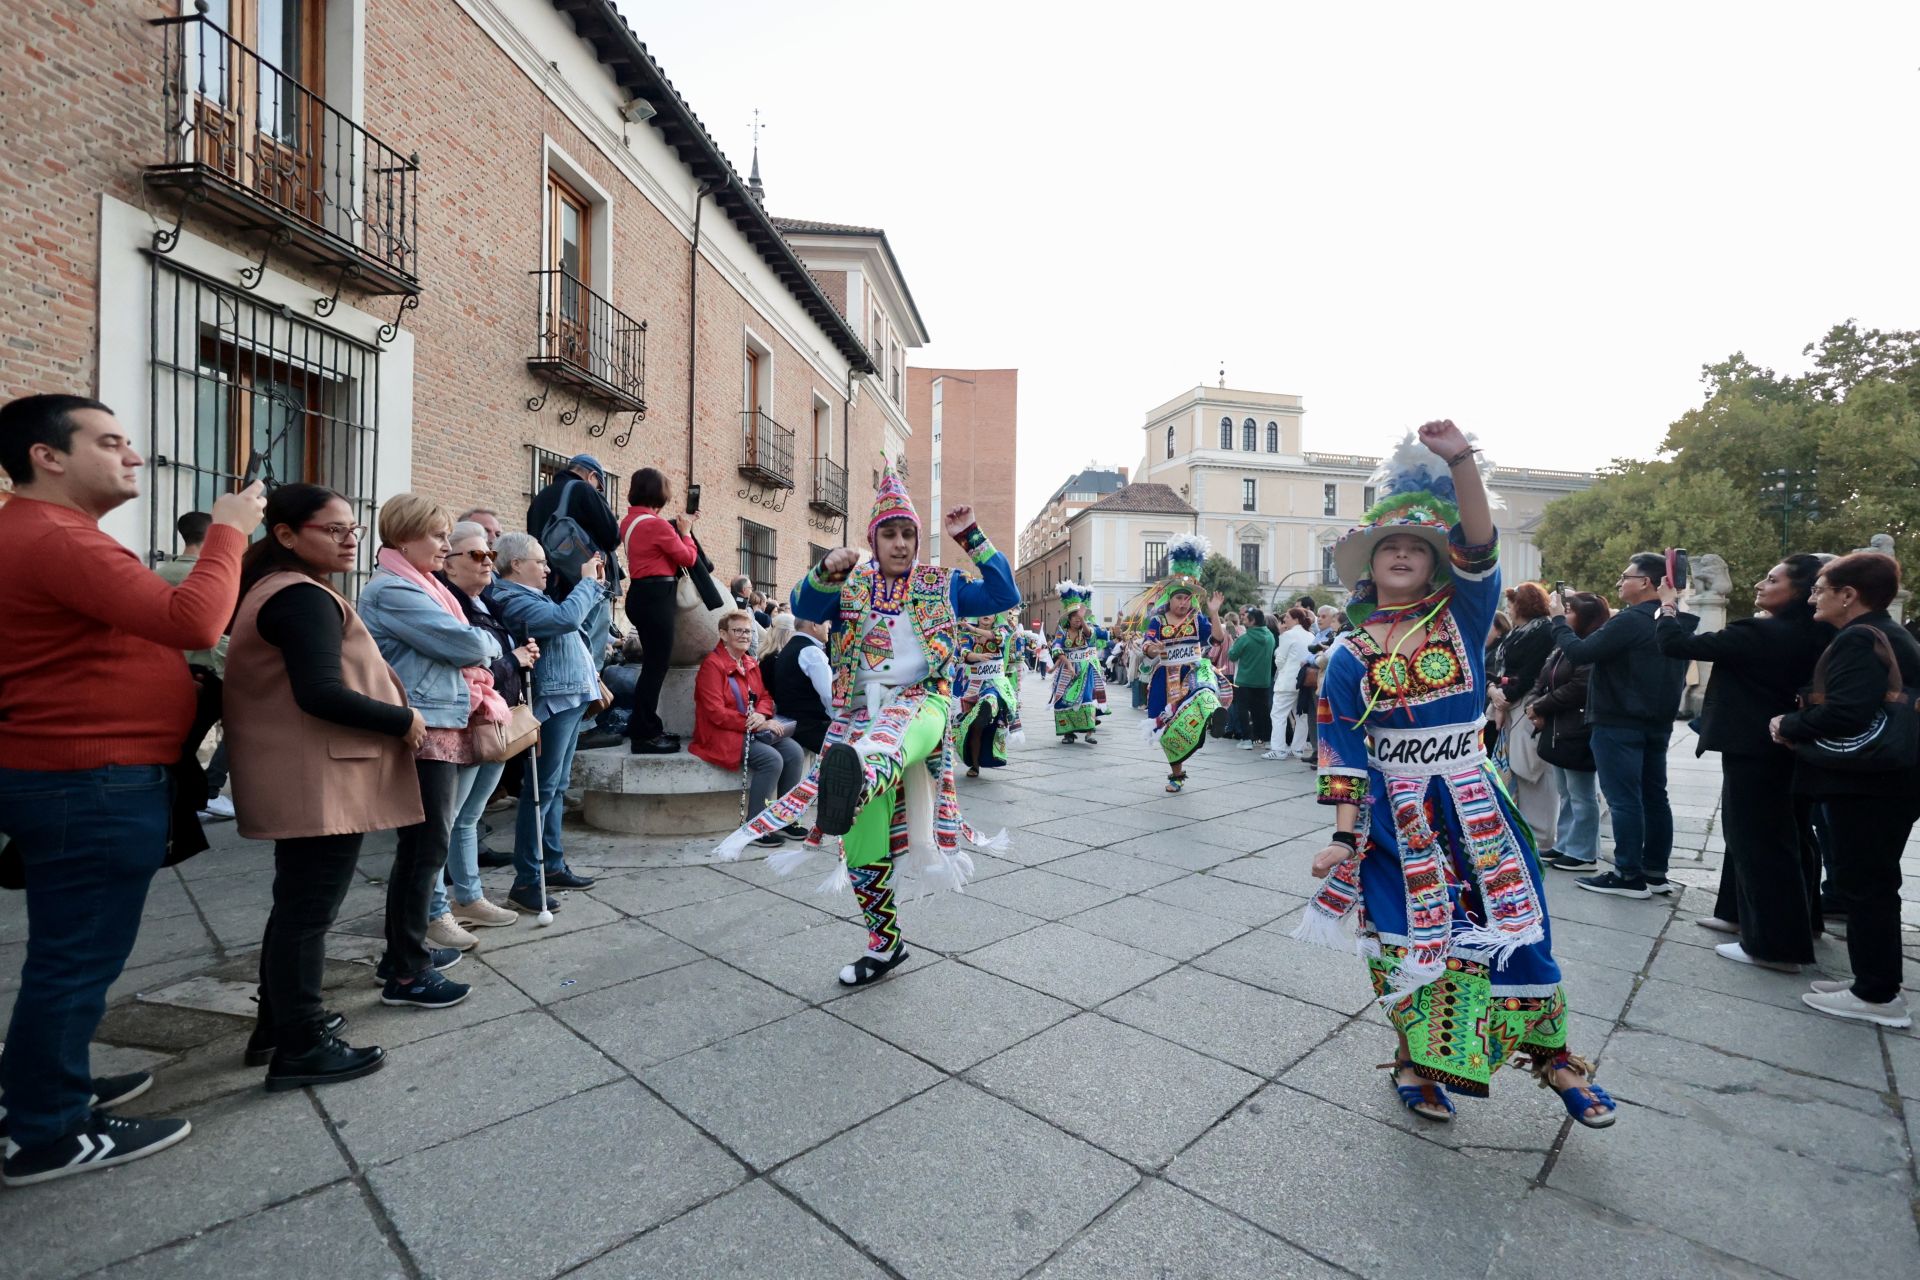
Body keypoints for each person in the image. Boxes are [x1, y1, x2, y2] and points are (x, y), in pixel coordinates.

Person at [1296, 422, 1614, 1130]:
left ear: (1436, 566)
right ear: (1369, 568)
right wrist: (1344, 841)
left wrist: (1462, 462)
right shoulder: (1347, 656)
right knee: (1409, 939)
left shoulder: (1462, 617)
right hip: (1395, 817)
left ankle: (1556, 1056)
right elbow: (1341, 751)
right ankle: (1416, 1058)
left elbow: (1479, 543)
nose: (1404, 554)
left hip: (1474, 802)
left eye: (1418, 547)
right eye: (1390, 548)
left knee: (1516, 923)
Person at [0, 393, 264, 1185]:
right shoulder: (52, 535)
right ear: (48, 456)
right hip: (89, 781)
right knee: (75, 960)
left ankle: (46, 1086)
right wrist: (230, 530)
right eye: (110, 441)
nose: (134, 455)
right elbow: (193, 619)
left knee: (67, 953)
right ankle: (47, 1131)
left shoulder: (48, 534)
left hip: (79, 776)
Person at [714, 464, 1019, 986]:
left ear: (917, 539)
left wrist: (971, 536)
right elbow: (805, 604)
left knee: (886, 741)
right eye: (889, 534)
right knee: (860, 841)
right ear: (873, 540)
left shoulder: (940, 583)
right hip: (858, 715)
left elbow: (1002, 595)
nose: (899, 544)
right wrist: (826, 569)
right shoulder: (854, 587)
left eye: (907, 534)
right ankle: (885, 945)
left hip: (924, 703)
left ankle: (853, 775)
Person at [225, 484, 419, 1088]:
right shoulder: (298, 597)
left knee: (297, 908)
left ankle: (279, 1024)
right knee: (308, 912)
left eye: (352, 527)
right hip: (319, 779)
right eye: (333, 529)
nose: (351, 538)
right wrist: (403, 719)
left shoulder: (282, 591)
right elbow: (321, 693)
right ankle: (300, 1043)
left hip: (311, 773)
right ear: (285, 535)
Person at [358, 495, 503, 1007]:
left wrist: (478, 639)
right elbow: (468, 645)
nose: (446, 546)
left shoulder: (420, 586)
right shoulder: (394, 590)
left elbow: (469, 638)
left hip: (440, 721)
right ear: (404, 537)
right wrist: (483, 642)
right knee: (424, 851)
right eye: (438, 536)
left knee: (425, 849)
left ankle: (404, 951)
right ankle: (406, 972)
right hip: (426, 729)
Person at [1654, 556, 1831, 969]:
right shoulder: (1821, 634)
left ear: (1802, 591)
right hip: (1788, 745)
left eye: (1772, 579)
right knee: (1782, 837)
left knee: (1761, 844)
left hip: (1756, 747)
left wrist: (1667, 605)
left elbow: (1675, 645)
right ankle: (1748, 916)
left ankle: (1776, 946)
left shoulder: (1760, 632)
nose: (1759, 584)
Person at [1772, 552, 1920, 1028]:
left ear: (1848, 595)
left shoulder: (1859, 639)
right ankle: (1869, 981)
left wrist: (1788, 724)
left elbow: (1845, 713)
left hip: (1870, 784)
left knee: (1867, 885)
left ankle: (1877, 994)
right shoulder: (1889, 634)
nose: (1814, 596)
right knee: (1870, 882)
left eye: (1820, 588)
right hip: (1891, 779)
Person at [1546, 552, 1696, 899]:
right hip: (1656, 721)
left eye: (1624, 576)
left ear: (1645, 582)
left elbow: (1581, 653)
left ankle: (1628, 873)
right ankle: (1654, 872)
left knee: (1624, 799)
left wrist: (1558, 620)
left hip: (1618, 719)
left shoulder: (1631, 620)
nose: (1619, 583)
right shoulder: (1673, 619)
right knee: (1655, 796)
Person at [486, 531, 608, 913]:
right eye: (540, 561)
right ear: (517, 564)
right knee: (539, 793)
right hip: (553, 702)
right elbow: (565, 619)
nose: (547, 568)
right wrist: (587, 583)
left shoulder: (529, 595)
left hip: (568, 698)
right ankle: (527, 879)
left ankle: (551, 865)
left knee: (555, 788)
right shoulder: (508, 596)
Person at [427, 521, 535, 942]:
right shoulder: (449, 603)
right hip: (470, 718)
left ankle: (468, 896)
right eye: (477, 555)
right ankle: (439, 908)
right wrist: (514, 659)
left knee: (469, 815)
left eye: (490, 554)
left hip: (497, 717)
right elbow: (474, 664)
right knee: (448, 818)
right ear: (448, 564)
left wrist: (514, 657)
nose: (488, 561)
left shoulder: (485, 601)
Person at [693, 611, 806, 848]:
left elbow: (764, 696)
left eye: (747, 631)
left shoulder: (749, 662)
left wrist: (761, 715)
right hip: (722, 733)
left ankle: (785, 819)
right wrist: (753, 721)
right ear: (723, 634)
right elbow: (715, 712)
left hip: (753, 728)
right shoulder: (712, 666)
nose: (744, 636)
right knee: (772, 759)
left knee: (794, 752)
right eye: (738, 631)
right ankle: (755, 826)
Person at [156, 510, 235, 821]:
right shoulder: (212, 577)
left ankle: (191, 794)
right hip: (211, 672)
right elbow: (217, 635)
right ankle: (205, 793)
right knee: (238, 732)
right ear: (212, 536)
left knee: (184, 740)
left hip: (174, 670)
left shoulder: (160, 574)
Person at [618, 467, 698, 755]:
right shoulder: (656, 525)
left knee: (652, 666)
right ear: (660, 493)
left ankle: (647, 724)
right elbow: (687, 557)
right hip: (657, 595)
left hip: (640, 593)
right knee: (656, 667)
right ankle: (645, 733)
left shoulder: (629, 521)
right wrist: (686, 533)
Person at [1528, 593, 1609, 872]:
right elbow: (1544, 677)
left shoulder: (1588, 646)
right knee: (1566, 789)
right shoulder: (1565, 645)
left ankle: (1584, 852)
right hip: (1558, 726)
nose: (1563, 616)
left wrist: (1540, 705)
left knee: (1582, 792)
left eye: (1569, 611)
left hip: (1578, 727)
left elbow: (1579, 685)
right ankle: (1566, 844)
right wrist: (1535, 703)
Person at [1139, 538, 1224, 793]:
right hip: (1165, 678)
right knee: (1168, 728)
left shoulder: (1198, 620)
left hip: (1192, 673)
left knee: (1206, 689)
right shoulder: (1157, 620)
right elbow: (1147, 644)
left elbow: (1218, 638)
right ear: (1170, 598)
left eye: (1187, 599)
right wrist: (1155, 648)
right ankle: (1176, 774)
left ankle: (1214, 716)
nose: (1183, 603)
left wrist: (1215, 613)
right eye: (1179, 598)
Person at [527, 453, 620, 663]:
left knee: (560, 654)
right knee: (589, 657)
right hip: (585, 586)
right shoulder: (584, 490)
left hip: (548, 585)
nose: (598, 492)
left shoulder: (541, 497)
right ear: (592, 476)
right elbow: (613, 536)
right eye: (599, 487)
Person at [1490, 583, 1559, 848]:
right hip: (1510, 701)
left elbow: (1531, 671)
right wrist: (1495, 690)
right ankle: (1524, 829)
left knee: (1531, 768)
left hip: (1526, 702)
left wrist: (1503, 697)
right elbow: (1503, 667)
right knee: (1516, 767)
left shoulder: (1543, 630)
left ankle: (1541, 836)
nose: (1508, 608)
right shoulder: (1519, 631)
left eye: (1511, 603)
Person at [956, 611, 1024, 776]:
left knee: (990, 701)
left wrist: (973, 628)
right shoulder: (966, 634)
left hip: (995, 684)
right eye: (982, 612)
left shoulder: (1003, 630)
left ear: (995, 617)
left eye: (990, 613)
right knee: (974, 727)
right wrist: (977, 655)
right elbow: (965, 654)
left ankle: (988, 710)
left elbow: (996, 637)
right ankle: (975, 765)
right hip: (972, 685)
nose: (986, 615)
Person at [1049, 585, 1108, 743]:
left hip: (1084, 669)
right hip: (1067, 671)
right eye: (1074, 616)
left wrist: (1083, 620)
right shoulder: (1062, 632)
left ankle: (1089, 732)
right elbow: (1056, 648)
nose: (1076, 618)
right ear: (1068, 618)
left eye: (1079, 616)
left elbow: (1091, 635)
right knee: (1062, 700)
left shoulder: (1086, 630)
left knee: (1087, 698)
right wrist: (1066, 664)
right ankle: (1068, 733)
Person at [775, 615, 836, 755]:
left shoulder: (790, 647)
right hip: (809, 728)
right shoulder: (811, 651)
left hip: (793, 724)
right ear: (814, 624)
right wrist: (841, 722)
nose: (830, 627)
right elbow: (828, 695)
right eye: (827, 622)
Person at [1266, 606, 1316, 760]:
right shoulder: (1310, 635)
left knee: (1278, 714)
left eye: (1287, 616)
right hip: (1303, 681)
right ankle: (1297, 748)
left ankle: (1278, 749)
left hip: (1287, 680)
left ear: (1295, 619)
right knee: (1301, 716)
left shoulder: (1288, 635)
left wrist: (1282, 670)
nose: (1284, 619)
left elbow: (1280, 660)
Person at [1228, 606, 1276, 751]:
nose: (1242, 618)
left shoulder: (1245, 638)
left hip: (1244, 680)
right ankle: (1266, 739)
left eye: (1245, 617)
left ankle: (1247, 739)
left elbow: (1232, 655)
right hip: (1263, 680)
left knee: (1242, 710)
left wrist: (1234, 644)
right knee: (1262, 711)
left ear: (1252, 620)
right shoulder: (1270, 636)